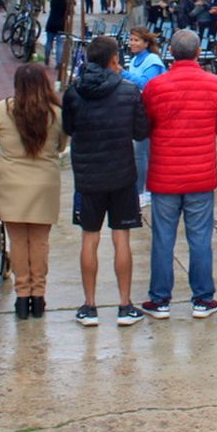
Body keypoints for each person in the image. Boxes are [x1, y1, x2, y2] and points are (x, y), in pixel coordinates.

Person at [140, 30, 217, 319]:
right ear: (197, 53)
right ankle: (203, 298)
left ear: (170, 52)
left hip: (165, 173)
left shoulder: (156, 86)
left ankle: (160, 298)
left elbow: (146, 123)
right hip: (199, 173)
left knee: (163, 238)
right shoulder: (215, 85)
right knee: (199, 237)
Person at [63, 36, 148, 327]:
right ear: (114, 59)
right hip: (122, 174)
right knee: (121, 237)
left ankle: (89, 305)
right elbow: (140, 131)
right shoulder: (128, 90)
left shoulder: (74, 91)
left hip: (88, 175)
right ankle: (125, 304)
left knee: (89, 236)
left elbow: (68, 127)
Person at [0, 63, 67, 319]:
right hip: (44, 181)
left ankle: (22, 294)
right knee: (40, 241)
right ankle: (38, 295)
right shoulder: (55, 113)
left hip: (11, 181)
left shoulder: (4, 108)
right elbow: (60, 146)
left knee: (17, 241)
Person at [121, 27, 166, 211]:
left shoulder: (152, 61)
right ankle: (144, 190)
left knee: (142, 153)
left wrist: (122, 73)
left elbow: (148, 85)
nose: (132, 43)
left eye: (136, 40)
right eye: (131, 40)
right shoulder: (135, 60)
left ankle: (143, 192)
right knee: (143, 153)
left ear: (146, 43)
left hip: (149, 111)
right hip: (137, 109)